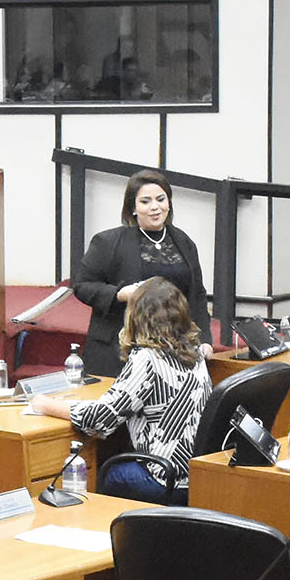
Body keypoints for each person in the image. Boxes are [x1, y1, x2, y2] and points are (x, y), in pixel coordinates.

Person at [43, 278, 212, 503]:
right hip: (196, 477)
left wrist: (45, 404)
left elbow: (100, 418)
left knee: (109, 473)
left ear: (136, 317)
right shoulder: (195, 353)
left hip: (163, 478)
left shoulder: (147, 358)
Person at [70, 169, 210, 379]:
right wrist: (120, 293)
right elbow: (82, 285)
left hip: (173, 349)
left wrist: (204, 339)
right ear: (133, 208)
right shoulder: (108, 242)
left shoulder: (183, 242)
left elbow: (197, 294)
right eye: (145, 201)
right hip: (120, 350)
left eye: (160, 199)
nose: (155, 207)